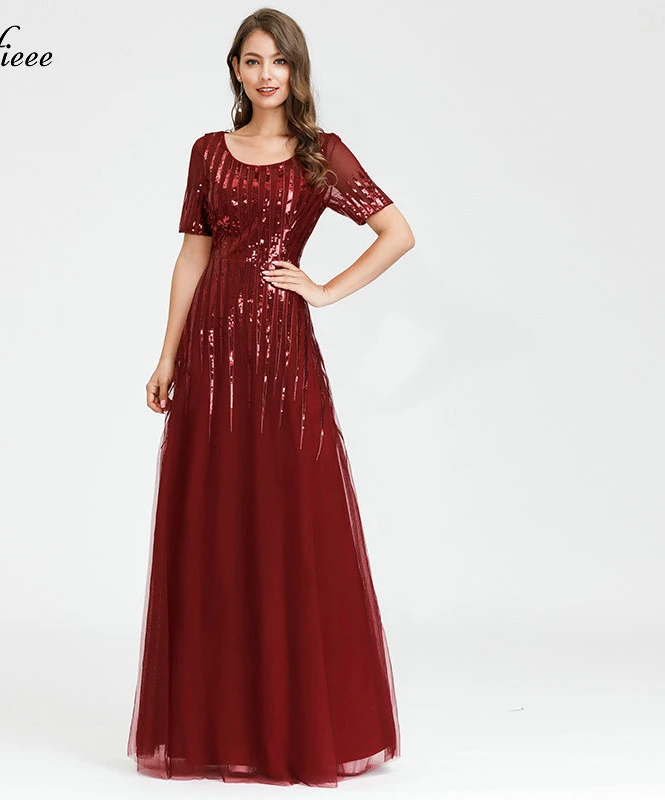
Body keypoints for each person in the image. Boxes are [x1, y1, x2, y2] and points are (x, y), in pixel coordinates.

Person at [127, 7, 415, 789]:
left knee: (289, 520)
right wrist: (167, 355)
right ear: (235, 68)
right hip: (210, 355)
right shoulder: (207, 152)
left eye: (278, 61)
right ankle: (221, 724)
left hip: (283, 356)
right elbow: (193, 256)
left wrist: (323, 289)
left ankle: (295, 725)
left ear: (296, 69)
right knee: (215, 525)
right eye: (252, 60)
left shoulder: (321, 154)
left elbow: (397, 232)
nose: (265, 74)